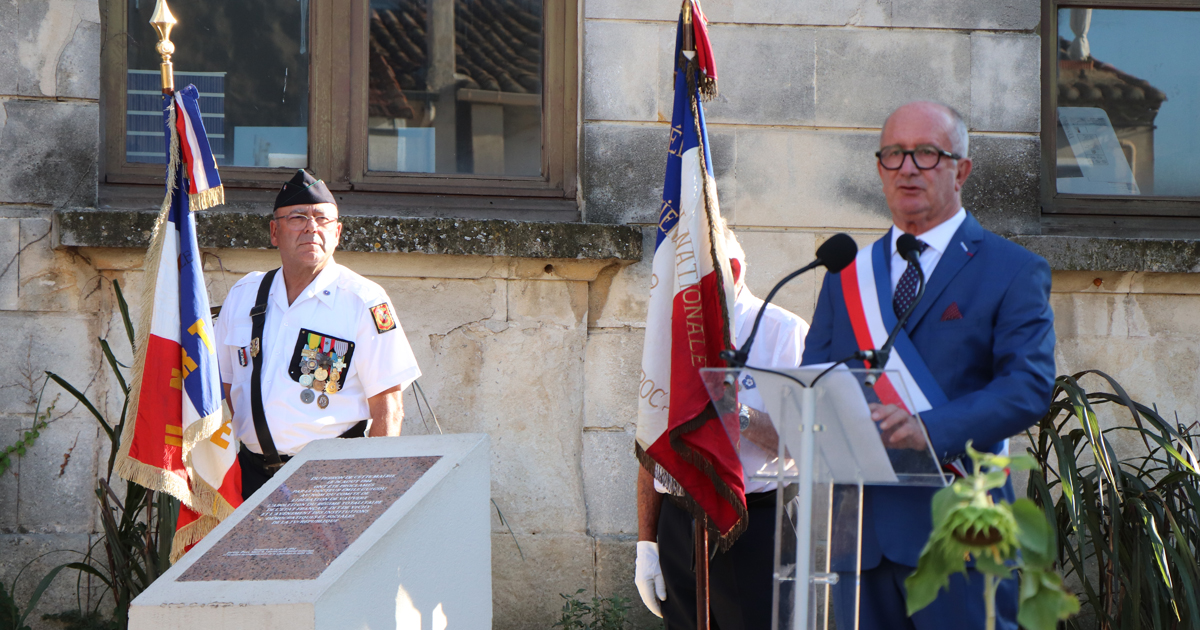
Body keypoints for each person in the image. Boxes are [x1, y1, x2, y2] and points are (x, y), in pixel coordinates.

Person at [802, 101, 1056, 630]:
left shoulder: (1011, 270)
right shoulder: (846, 276)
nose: (908, 168)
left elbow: (1028, 386)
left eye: (926, 153)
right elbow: (816, 382)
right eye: (894, 154)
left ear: (961, 169)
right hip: (861, 540)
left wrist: (927, 429)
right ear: (879, 168)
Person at [635, 231, 809, 629]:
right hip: (680, 522)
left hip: (753, 523)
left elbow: (803, 442)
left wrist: (734, 410)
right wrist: (647, 542)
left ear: (737, 267)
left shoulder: (783, 332)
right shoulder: (673, 335)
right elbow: (651, 441)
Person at [214, 169, 422, 500]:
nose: (312, 228)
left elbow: (388, 407)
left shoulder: (363, 301)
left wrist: (373, 490)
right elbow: (226, 384)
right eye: (297, 218)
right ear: (274, 232)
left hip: (330, 481)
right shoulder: (245, 295)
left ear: (337, 232)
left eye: (322, 219)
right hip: (250, 476)